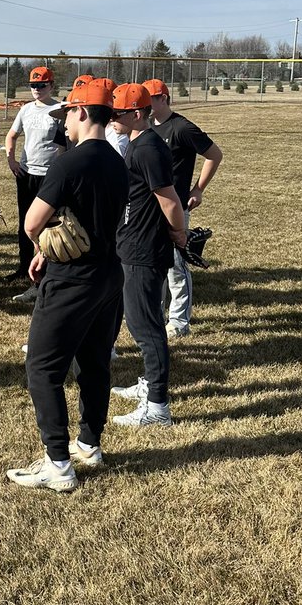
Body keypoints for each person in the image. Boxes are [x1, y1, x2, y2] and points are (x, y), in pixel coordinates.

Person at [6, 79, 128, 492]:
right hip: (109, 274)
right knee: (95, 363)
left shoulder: (68, 162)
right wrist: (50, 247)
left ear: (79, 112)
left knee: (43, 367)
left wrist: (41, 244)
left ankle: (57, 464)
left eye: (66, 116)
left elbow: (31, 223)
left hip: (72, 280)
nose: (63, 125)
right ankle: (89, 444)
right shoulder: (117, 160)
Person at [108, 83, 187, 427]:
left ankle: (158, 407)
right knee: (143, 320)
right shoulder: (138, 143)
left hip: (144, 249)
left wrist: (179, 233)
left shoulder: (148, 148)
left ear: (137, 114)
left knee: (146, 328)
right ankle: (148, 386)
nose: (112, 118)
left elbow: (169, 200)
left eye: (118, 113)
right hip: (133, 244)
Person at [143, 78, 223, 337]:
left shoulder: (181, 127)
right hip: (150, 206)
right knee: (153, 264)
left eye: (150, 98)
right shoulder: (145, 127)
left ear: (163, 98)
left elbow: (214, 154)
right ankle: (155, 315)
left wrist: (198, 189)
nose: (146, 103)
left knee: (175, 265)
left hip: (175, 205)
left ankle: (179, 321)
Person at [4, 65, 66, 302]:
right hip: (27, 173)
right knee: (25, 222)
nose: (37, 89)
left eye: (41, 85)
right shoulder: (26, 110)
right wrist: (11, 160)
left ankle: (47, 269)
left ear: (51, 85)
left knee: (48, 224)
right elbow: (12, 135)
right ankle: (23, 266)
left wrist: (57, 171)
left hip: (49, 175)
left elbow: (63, 145)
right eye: (33, 85)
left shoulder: (59, 109)